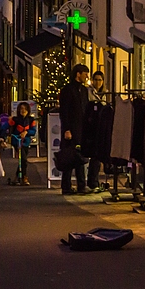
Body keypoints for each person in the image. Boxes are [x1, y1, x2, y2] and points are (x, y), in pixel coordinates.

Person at [58, 64, 90, 195]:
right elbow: (64, 111)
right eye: (85, 73)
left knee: (80, 157)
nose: (87, 76)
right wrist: (66, 129)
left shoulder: (84, 90)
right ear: (78, 74)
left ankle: (81, 185)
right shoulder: (67, 90)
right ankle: (66, 186)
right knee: (69, 156)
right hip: (71, 128)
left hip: (81, 129)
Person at [9, 102, 37, 186]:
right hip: (17, 141)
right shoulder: (15, 119)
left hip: (26, 142)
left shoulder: (31, 120)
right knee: (23, 159)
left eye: (25, 109)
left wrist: (26, 132)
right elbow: (9, 129)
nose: (23, 110)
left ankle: (17, 177)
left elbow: (33, 131)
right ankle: (24, 177)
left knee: (22, 160)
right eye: (21, 109)